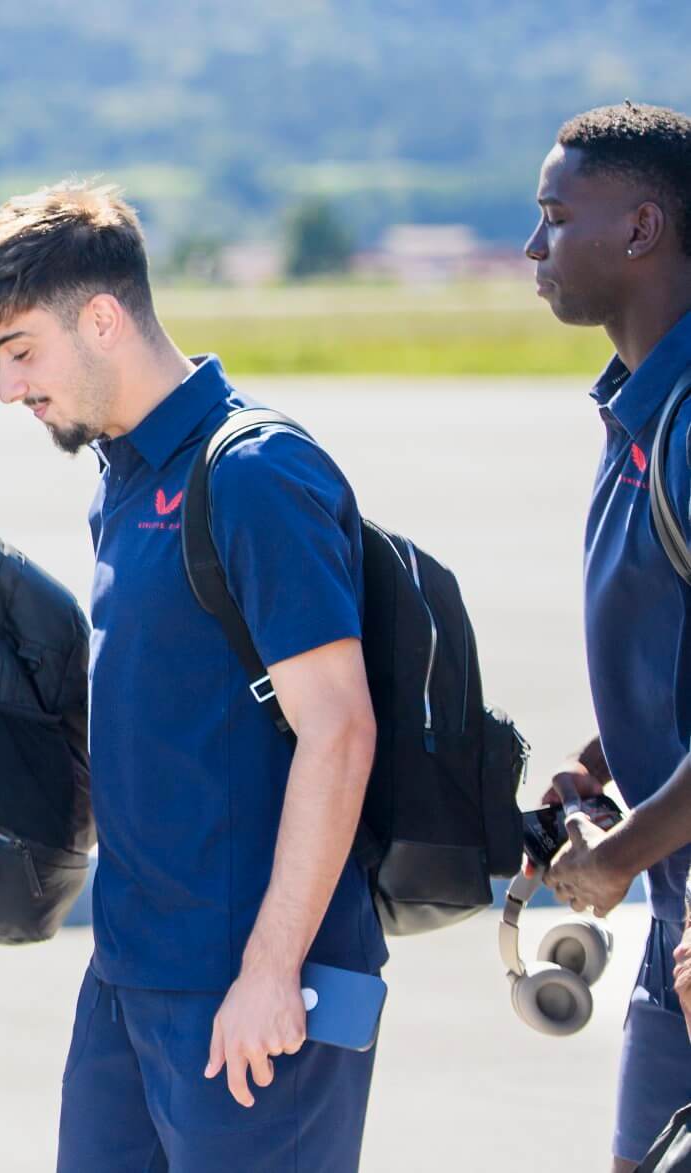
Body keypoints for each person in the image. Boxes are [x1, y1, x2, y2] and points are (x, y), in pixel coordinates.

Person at [0, 181, 383, 1170]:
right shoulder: (127, 473)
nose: (8, 387)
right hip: (132, 978)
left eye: (20, 351)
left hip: (254, 992)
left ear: (102, 320)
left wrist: (271, 972)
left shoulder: (255, 473)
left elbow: (340, 730)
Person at [518, 102, 691, 1169]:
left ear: (638, 230)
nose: (533, 247)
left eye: (552, 216)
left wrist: (615, 859)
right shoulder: (639, 404)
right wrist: (607, 754)